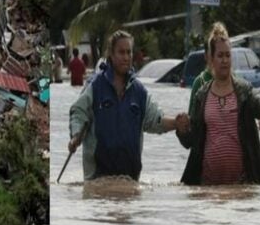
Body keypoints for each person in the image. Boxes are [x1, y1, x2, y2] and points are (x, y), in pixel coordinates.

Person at [68, 30, 186, 181]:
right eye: (121, 52)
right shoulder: (95, 86)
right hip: (97, 180)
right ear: (111, 53)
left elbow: (155, 120)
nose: (126, 57)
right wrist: (76, 136)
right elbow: (78, 112)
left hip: (130, 180)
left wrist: (176, 122)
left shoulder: (139, 91)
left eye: (129, 52)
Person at [176, 29, 260, 185]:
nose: (224, 60)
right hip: (207, 185)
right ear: (211, 59)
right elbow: (191, 141)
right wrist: (182, 130)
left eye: (228, 55)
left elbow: (259, 100)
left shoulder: (243, 90)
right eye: (220, 55)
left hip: (242, 184)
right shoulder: (202, 95)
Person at [188, 22, 228, 119]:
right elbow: (192, 122)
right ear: (207, 56)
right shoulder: (200, 83)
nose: (223, 60)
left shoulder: (237, 82)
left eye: (226, 55)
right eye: (218, 55)